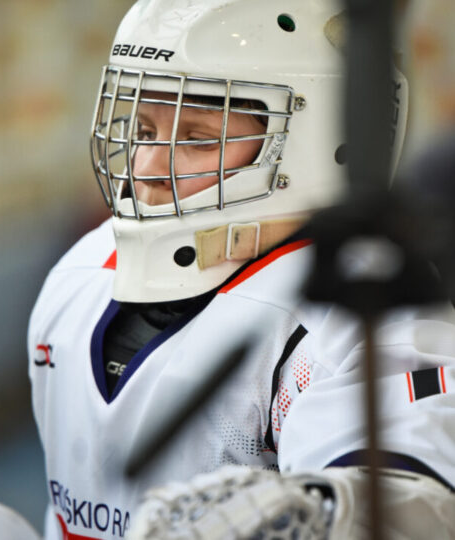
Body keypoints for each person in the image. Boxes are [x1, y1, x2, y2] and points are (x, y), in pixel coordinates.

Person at [24, 0, 455, 539]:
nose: (146, 166)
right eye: (145, 129)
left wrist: (329, 512)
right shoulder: (82, 271)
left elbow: (413, 500)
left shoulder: (357, 313)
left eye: (197, 137)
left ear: (316, 146)